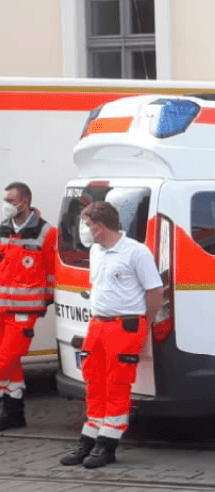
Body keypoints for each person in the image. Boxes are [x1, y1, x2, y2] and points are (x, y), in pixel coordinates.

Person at [59, 201, 163, 469]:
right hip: (98, 324)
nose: (85, 230)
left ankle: (107, 445)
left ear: (101, 226)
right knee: (94, 382)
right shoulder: (96, 250)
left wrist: (145, 323)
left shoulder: (136, 252)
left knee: (117, 386)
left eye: (88, 224)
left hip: (124, 326)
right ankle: (89, 440)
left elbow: (155, 291)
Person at [0, 182, 57, 431]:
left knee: (7, 358)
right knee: (7, 359)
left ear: (24, 202)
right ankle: (14, 413)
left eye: (10, 201)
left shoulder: (46, 233)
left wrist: (45, 301)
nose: (6, 205)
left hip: (25, 309)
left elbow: (52, 272)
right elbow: (1, 268)